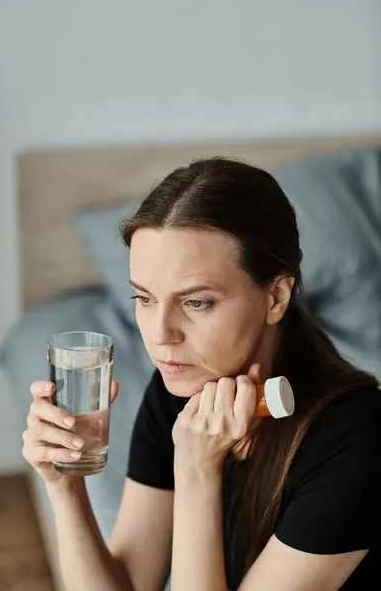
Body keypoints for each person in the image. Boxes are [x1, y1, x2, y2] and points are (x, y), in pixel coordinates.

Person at [22, 157, 381, 591]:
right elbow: (130, 585)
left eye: (196, 303)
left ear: (276, 297)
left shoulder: (360, 438)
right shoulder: (179, 387)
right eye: (145, 298)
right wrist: (65, 489)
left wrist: (196, 469)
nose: (160, 336)